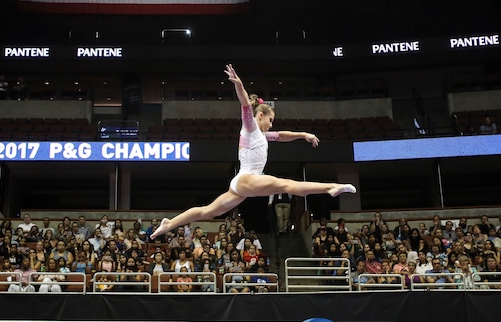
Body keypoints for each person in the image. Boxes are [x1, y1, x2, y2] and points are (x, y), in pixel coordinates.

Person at [151, 64, 356, 239]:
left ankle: (170, 223)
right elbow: (245, 106)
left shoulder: (261, 136)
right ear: (260, 116)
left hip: (242, 183)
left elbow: (282, 135)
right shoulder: (250, 127)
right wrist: (239, 84)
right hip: (247, 178)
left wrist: (304, 134)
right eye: (270, 120)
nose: (271, 124)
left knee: (209, 211)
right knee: (287, 184)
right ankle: (332, 187)